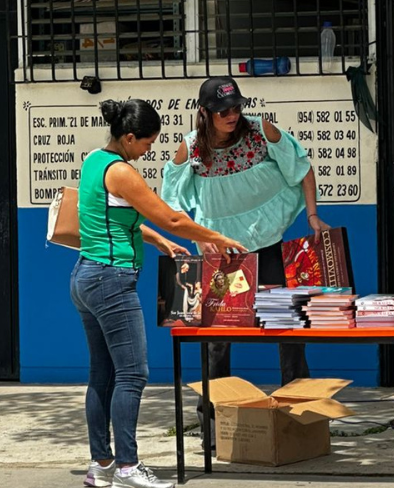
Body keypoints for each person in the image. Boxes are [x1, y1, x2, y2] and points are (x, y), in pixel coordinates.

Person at [71, 99, 246, 488]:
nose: (149, 150)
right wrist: (214, 237)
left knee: (103, 374)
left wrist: (161, 244)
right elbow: (171, 216)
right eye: (147, 143)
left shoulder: (94, 162)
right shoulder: (121, 172)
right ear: (129, 137)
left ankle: (101, 466)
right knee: (133, 373)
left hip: (86, 277)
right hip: (112, 281)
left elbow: (116, 219)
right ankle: (129, 468)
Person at [161, 76, 330, 431]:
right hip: (221, 256)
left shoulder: (261, 132)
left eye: (236, 107)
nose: (232, 114)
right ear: (205, 112)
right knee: (216, 339)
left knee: (288, 329)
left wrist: (313, 215)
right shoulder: (190, 148)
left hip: (266, 243)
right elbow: (170, 204)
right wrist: (198, 235)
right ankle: (212, 422)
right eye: (223, 110)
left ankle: (301, 417)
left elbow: (303, 169)